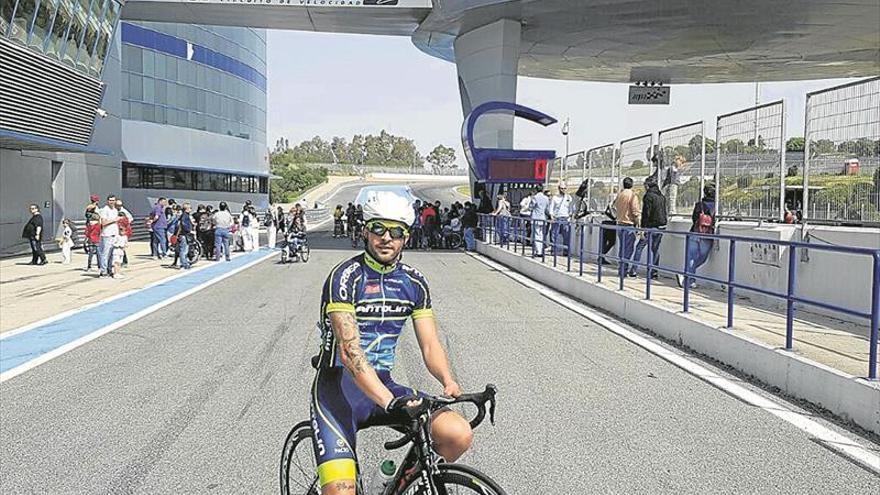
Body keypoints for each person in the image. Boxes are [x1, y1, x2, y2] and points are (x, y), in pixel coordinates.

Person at [310, 191, 472, 494]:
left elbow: (430, 345)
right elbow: (349, 351)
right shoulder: (345, 277)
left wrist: (448, 381)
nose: (387, 237)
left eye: (396, 231)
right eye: (379, 228)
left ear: (406, 238)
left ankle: (401, 484)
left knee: (457, 434)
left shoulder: (414, 283)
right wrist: (388, 401)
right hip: (338, 390)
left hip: (383, 384)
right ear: (365, 231)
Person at [677, 184, 717, 289]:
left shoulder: (700, 204)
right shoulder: (717, 206)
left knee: (691, 257)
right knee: (702, 258)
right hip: (707, 235)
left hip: (695, 232)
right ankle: (688, 278)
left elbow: (694, 218)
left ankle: (688, 277)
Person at [629, 175, 667, 278]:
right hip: (662, 226)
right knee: (655, 249)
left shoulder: (648, 196)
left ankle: (633, 270)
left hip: (651, 226)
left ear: (647, 185)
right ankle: (654, 272)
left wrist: (642, 228)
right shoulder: (661, 196)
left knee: (639, 247)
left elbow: (646, 213)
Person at [614, 177, 641, 276]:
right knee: (628, 249)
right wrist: (638, 225)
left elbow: (614, 206)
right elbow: (635, 212)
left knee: (622, 248)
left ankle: (621, 268)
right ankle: (623, 270)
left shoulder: (620, 195)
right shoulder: (632, 196)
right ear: (632, 184)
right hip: (628, 224)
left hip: (619, 224)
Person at [549, 181, 574, 254]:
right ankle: (554, 251)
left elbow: (571, 208)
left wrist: (571, 216)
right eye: (561, 188)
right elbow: (551, 208)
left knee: (566, 235)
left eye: (564, 188)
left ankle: (566, 251)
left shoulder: (569, 197)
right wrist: (552, 217)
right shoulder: (555, 198)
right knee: (554, 235)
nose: (563, 190)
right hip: (557, 218)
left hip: (565, 218)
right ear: (559, 189)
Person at [97, 194, 119, 277]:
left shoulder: (115, 210)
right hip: (107, 234)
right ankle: (103, 271)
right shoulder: (104, 210)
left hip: (114, 234)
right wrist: (114, 220)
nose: (112, 202)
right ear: (107, 201)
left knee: (112, 254)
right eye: (110, 200)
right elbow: (103, 223)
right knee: (105, 254)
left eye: (113, 200)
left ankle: (110, 269)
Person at [529, 186, 550, 256]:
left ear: (536, 190)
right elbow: (547, 209)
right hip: (543, 218)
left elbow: (531, 207)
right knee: (541, 234)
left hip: (535, 218)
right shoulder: (546, 198)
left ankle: (538, 251)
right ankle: (540, 250)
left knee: (536, 234)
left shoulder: (535, 197)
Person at [112, 209, 132, 278]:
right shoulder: (117, 235)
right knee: (116, 261)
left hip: (121, 250)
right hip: (117, 249)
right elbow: (114, 242)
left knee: (119, 262)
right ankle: (115, 273)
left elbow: (126, 242)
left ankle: (118, 272)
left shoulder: (125, 236)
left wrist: (125, 245)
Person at [176, 203, 195, 270]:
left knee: (184, 249)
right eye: (190, 208)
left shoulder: (183, 215)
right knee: (184, 250)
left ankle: (184, 263)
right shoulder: (185, 216)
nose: (191, 209)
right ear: (187, 209)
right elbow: (184, 224)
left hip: (183, 234)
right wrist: (189, 230)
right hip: (184, 234)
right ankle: (184, 264)